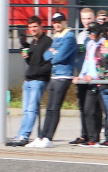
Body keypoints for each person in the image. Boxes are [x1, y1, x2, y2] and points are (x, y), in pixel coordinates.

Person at [30, 12, 78, 148]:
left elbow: (58, 57)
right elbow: (46, 55)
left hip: (64, 76)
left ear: (64, 22)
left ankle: (48, 138)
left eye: (59, 21)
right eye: (54, 22)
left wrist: (54, 52)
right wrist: (54, 52)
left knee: (55, 107)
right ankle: (42, 136)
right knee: (49, 108)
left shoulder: (69, 36)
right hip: (55, 75)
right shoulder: (57, 36)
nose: (57, 24)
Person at [8, 15, 53, 146]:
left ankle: (24, 136)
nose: (33, 29)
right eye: (31, 27)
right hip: (28, 80)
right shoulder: (33, 43)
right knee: (26, 110)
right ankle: (20, 134)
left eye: (35, 26)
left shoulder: (47, 41)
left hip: (38, 80)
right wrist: (26, 55)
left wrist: (36, 72)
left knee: (32, 109)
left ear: (41, 26)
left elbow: (48, 64)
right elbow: (32, 62)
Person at [74, 23, 107, 146]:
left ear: (100, 32)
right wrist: (81, 76)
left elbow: (103, 64)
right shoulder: (90, 44)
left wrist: (93, 76)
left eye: (94, 31)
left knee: (104, 111)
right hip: (90, 82)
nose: (91, 34)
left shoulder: (104, 44)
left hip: (101, 81)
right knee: (88, 110)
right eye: (90, 32)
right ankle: (92, 138)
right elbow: (87, 62)